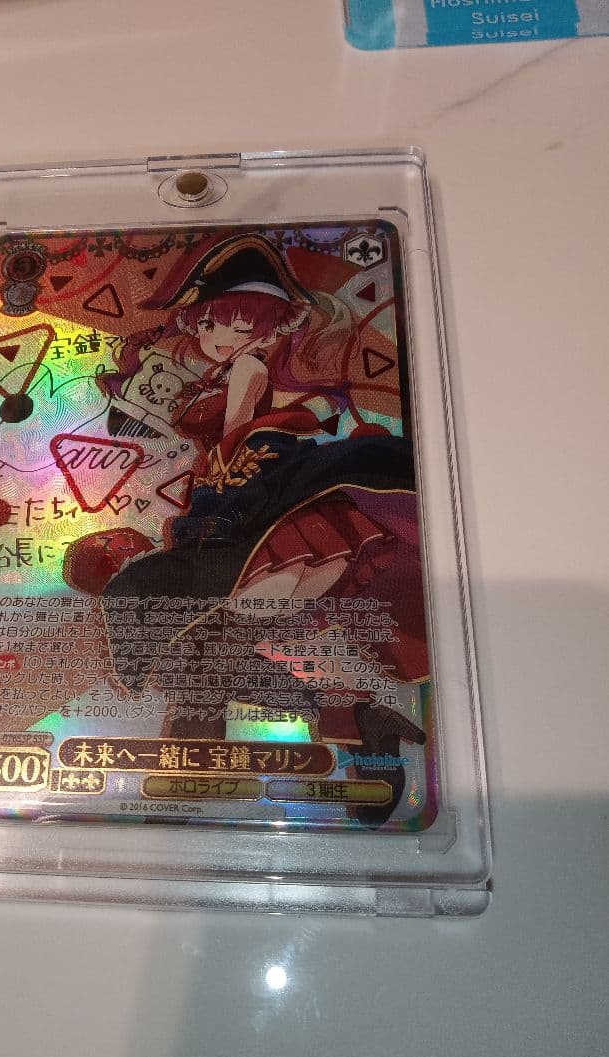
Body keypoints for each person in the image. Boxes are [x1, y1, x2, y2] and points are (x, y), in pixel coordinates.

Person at [72, 233, 428, 826]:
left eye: (244, 325)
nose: (225, 336)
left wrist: (219, 428)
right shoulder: (232, 375)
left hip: (273, 526)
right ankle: (355, 719)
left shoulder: (250, 372)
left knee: (189, 643)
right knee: (201, 656)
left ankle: (190, 785)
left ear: (270, 328)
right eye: (217, 323)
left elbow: (239, 452)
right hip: (263, 524)